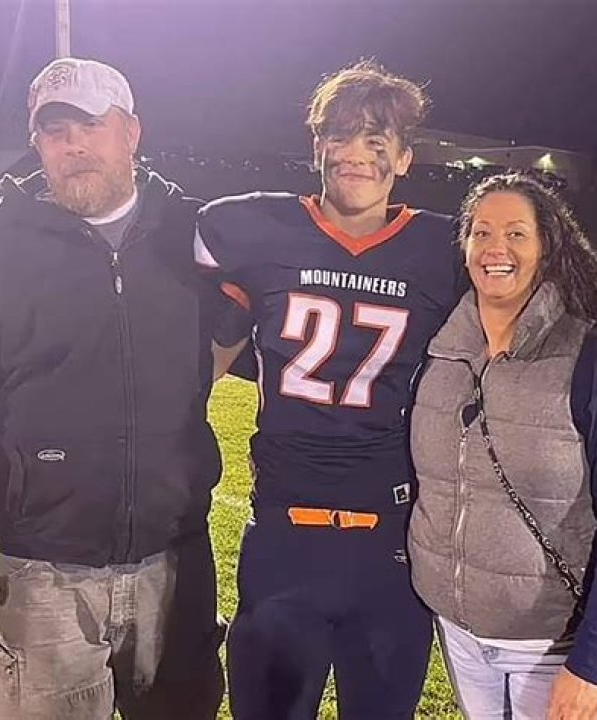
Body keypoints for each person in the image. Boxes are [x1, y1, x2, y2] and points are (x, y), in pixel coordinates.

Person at [0, 57, 246, 719]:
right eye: (55, 131)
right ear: (38, 144)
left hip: (176, 560)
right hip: (44, 569)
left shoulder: (193, 235)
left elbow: (242, 329)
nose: (73, 146)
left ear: (131, 132)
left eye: (91, 126)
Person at [194, 60, 468, 719]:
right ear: (316, 146)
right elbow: (196, 359)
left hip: (392, 548)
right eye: (339, 135)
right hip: (284, 537)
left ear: (404, 157)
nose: (356, 154)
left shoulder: (443, 249)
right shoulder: (260, 229)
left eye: (377, 139)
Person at [408, 172, 597, 719]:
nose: (496, 248)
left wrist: (591, 664)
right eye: (481, 232)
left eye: (516, 234)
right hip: (459, 634)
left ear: (547, 247)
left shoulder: (590, 355)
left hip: (554, 646)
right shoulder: (436, 349)